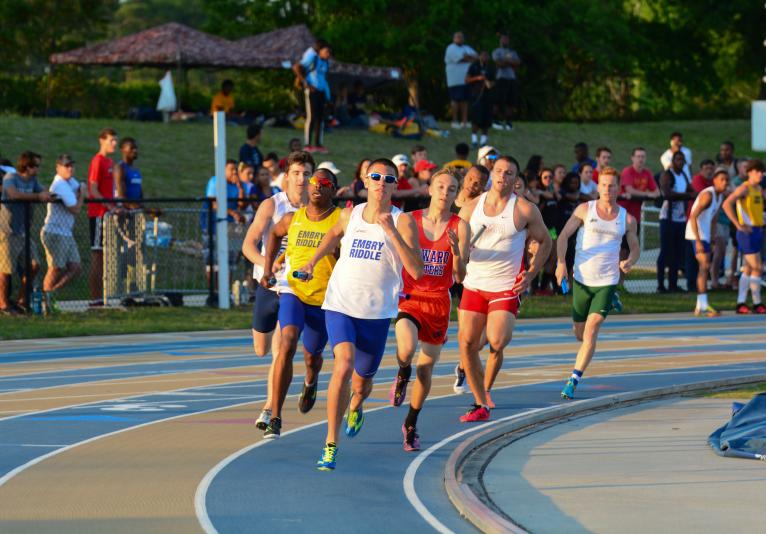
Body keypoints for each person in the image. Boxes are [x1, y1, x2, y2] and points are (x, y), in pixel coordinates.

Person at [297, 158, 423, 470]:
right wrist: (312, 263)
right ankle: (330, 443)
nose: (382, 182)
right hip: (340, 303)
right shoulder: (349, 213)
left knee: (361, 383)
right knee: (343, 365)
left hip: (376, 312)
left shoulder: (403, 221)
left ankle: (357, 403)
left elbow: (417, 271)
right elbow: (332, 235)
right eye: (376, 176)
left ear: (395, 186)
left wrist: (391, 231)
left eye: (388, 178)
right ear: (365, 181)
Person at [456, 156, 552, 421]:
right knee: (466, 343)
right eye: (498, 171)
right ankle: (480, 403)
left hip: (505, 286)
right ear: (491, 175)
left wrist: (531, 273)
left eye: (509, 173)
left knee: (497, 340)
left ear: (515, 179)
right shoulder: (471, 207)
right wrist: (459, 255)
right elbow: (454, 241)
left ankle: (483, 388)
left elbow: (546, 242)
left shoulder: (524, 209)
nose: (502, 177)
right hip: (474, 283)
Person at [389, 169, 470, 451]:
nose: (445, 193)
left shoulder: (460, 226)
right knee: (406, 349)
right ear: (430, 189)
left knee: (426, 371)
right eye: (440, 187)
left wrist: (457, 251)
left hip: (438, 302)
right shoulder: (410, 220)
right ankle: (402, 371)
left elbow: (460, 275)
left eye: (451, 189)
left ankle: (411, 423)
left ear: (457, 195)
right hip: (411, 296)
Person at [258, 167, 341, 439]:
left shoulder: (341, 221)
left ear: (333, 190)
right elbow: (273, 234)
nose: (317, 186)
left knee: (311, 355)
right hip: (293, 292)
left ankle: (311, 379)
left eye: (324, 183)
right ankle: (276, 415)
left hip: (324, 298)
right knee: (286, 342)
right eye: (314, 181)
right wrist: (269, 268)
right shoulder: (293, 218)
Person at [555, 167, 639, 399]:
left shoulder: (626, 219)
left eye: (611, 185)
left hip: (607, 280)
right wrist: (561, 263)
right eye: (603, 185)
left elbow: (635, 248)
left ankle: (573, 379)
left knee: (591, 331)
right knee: (579, 334)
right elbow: (563, 237)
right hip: (581, 279)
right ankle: (612, 300)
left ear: (618, 188)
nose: (607, 189)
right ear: (597, 186)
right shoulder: (585, 210)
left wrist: (630, 261)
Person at [242, 151, 311, 430]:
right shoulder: (272, 205)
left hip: (294, 289)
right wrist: (266, 265)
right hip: (267, 285)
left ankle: (269, 408)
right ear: (286, 177)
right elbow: (248, 244)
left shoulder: (315, 210)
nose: (301, 178)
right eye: (296, 173)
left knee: (281, 349)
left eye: (306, 173)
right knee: (261, 349)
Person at [0, 151, 50, 314]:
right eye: (35, 166)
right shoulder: (11, 178)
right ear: (27, 166)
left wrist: (58, 192)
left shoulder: (33, 181)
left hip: (23, 232)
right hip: (8, 231)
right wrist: (37, 196)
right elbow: (13, 195)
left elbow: (44, 191)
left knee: (34, 265)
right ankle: (3, 304)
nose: (38, 169)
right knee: (6, 270)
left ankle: (22, 299)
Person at [721, 159, 766, 314]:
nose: (761, 174)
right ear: (750, 173)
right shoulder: (744, 188)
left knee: (748, 269)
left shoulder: (759, 189)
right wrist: (738, 224)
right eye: (758, 171)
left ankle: (741, 303)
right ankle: (757, 302)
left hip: (757, 231)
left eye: (762, 171)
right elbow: (726, 204)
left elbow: (757, 210)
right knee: (758, 267)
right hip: (746, 232)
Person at [40, 154, 83, 313]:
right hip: (54, 231)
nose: (69, 168)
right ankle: (44, 303)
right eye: (66, 166)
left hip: (66, 232)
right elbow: (76, 208)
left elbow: (80, 187)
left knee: (76, 268)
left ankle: (51, 294)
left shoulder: (70, 181)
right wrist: (82, 196)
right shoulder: (59, 184)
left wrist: (81, 191)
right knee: (55, 268)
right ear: (58, 168)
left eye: (71, 165)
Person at [685, 167, 729, 317]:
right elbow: (693, 217)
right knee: (705, 266)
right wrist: (697, 240)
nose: (725, 182)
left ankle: (700, 305)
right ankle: (702, 304)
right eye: (722, 179)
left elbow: (714, 218)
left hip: (704, 235)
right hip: (695, 233)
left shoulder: (720, 196)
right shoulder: (708, 195)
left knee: (704, 267)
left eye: (727, 180)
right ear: (715, 181)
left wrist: (712, 236)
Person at [87, 128, 118, 307]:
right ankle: (95, 299)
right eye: (111, 140)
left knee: (106, 257)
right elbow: (93, 189)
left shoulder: (110, 162)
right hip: (99, 214)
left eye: (115, 140)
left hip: (108, 214)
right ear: (102, 141)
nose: (114, 143)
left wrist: (116, 206)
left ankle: (103, 298)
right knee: (98, 256)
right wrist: (109, 206)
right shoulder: (98, 161)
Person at [657, 150, 694, 293]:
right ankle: (660, 285)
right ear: (672, 161)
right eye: (677, 159)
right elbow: (667, 193)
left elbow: (692, 191)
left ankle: (673, 285)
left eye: (682, 160)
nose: (680, 162)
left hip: (680, 219)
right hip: (667, 218)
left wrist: (692, 194)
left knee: (678, 253)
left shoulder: (684, 175)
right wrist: (687, 196)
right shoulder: (667, 174)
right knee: (665, 252)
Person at [293, 39, 332, 153]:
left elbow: (324, 80)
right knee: (312, 117)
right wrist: (305, 83)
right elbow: (297, 67)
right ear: (320, 51)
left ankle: (318, 144)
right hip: (312, 91)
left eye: (330, 52)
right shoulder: (312, 58)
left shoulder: (325, 63)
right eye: (326, 51)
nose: (328, 54)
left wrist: (328, 97)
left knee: (321, 118)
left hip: (321, 92)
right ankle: (308, 144)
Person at [444, 31, 477, 129]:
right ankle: (455, 121)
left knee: (465, 100)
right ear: (454, 38)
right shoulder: (451, 48)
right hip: (455, 80)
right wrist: (468, 57)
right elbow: (461, 58)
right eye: (458, 37)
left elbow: (476, 57)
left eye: (461, 37)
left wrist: (468, 57)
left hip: (466, 79)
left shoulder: (467, 48)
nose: (460, 39)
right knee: (455, 100)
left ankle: (464, 121)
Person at [465, 50, 496, 149]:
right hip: (476, 96)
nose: (484, 58)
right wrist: (478, 78)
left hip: (488, 97)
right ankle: (474, 140)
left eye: (486, 56)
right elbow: (467, 80)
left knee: (486, 120)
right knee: (475, 119)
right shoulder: (474, 66)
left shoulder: (491, 67)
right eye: (483, 56)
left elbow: (494, 82)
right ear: (479, 56)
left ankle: (483, 142)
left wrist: (489, 83)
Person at [491, 33, 521, 131]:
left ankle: (508, 122)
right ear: (500, 41)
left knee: (511, 101)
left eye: (506, 39)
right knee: (498, 100)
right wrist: (509, 62)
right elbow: (499, 64)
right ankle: (495, 120)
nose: (505, 41)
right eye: (503, 39)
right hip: (501, 78)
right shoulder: (496, 51)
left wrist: (506, 61)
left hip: (511, 79)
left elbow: (517, 63)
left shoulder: (513, 52)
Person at [113, 137, 143, 209]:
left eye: (136, 148)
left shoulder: (136, 170)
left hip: (136, 212)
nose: (135, 150)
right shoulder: (120, 168)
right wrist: (134, 207)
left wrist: (147, 210)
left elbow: (140, 195)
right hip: (122, 213)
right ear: (123, 150)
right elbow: (120, 197)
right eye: (132, 148)